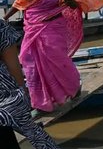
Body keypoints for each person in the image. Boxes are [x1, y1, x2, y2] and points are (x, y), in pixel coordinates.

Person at [3, 0, 103, 112]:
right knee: (28, 61)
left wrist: (73, 3)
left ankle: (73, 86)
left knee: (57, 59)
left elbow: (78, 2)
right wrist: (6, 18)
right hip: (32, 27)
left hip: (53, 27)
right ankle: (40, 101)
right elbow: (21, 1)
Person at [0, 20, 60, 148]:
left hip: (6, 100)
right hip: (7, 99)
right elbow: (13, 65)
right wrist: (23, 93)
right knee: (35, 135)